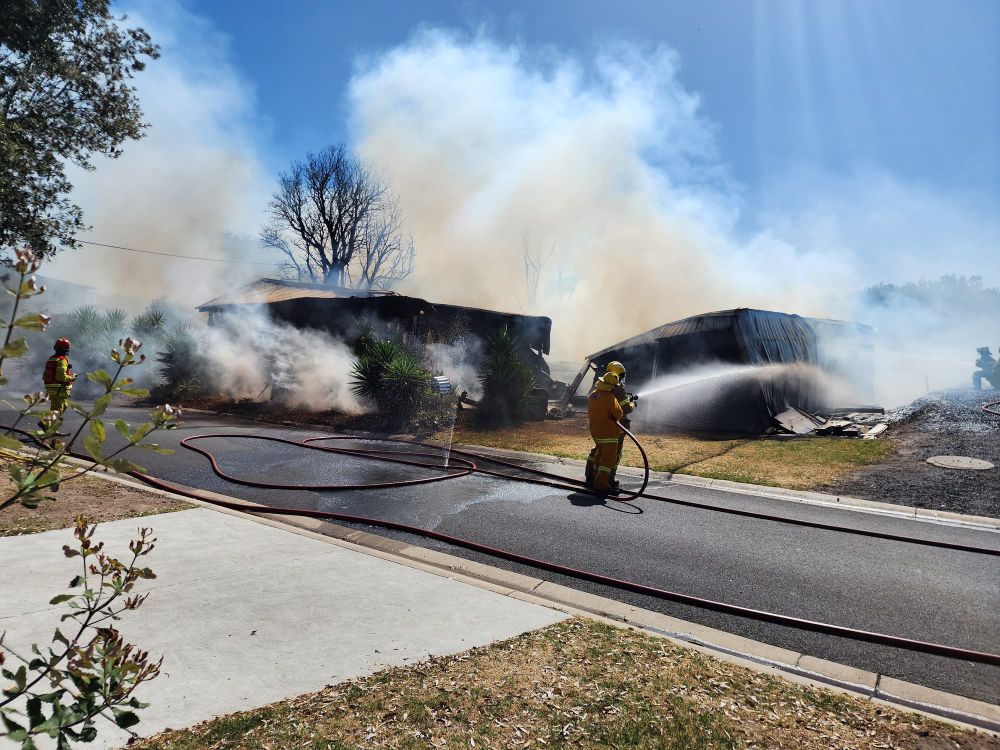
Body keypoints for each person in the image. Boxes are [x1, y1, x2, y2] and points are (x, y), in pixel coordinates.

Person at [585, 361, 638, 493]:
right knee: (612, 456)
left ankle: (591, 475)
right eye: (622, 375)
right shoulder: (617, 389)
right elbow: (624, 409)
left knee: (598, 451)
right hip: (615, 428)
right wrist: (633, 404)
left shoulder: (598, 390)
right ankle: (608, 480)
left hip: (597, 429)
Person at [43, 338, 75, 415]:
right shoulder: (61, 360)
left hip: (51, 388)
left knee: (59, 407)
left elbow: (45, 374)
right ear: (65, 349)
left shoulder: (52, 358)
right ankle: (46, 424)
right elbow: (61, 377)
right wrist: (72, 378)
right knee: (59, 408)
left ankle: (48, 424)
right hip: (59, 389)